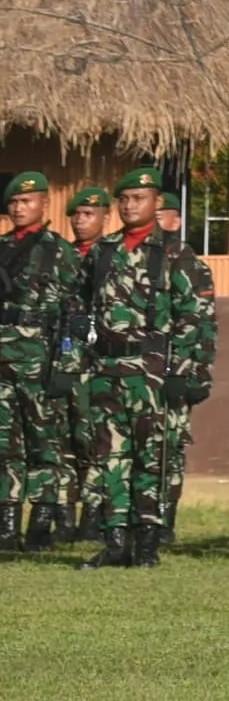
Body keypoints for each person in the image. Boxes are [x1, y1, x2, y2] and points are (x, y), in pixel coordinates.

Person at [74, 167, 211, 568]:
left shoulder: (176, 254)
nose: (130, 205)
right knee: (109, 456)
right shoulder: (103, 251)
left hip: (153, 370)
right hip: (107, 367)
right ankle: (115, 542)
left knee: (153, 457)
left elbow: (196, 317)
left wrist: (183, 373)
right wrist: (78, 349)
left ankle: (147, 544)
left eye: (139, 198)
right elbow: (79, 305)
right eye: (125, 199)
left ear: (157, 203)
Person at [1, 172, 80, 553]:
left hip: (40, 360)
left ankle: (40, 525)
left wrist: (67, 364)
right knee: (4, 444)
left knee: (44, 446)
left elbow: (76, 315)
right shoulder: (2, 248)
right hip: (2, 360)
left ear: (44, 204)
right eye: (14, 202)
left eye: (26, 201)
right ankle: (6, 525)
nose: (19, 208)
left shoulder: (59, 251)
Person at [148, 193, 217, 549]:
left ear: (175, 221)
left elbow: (204, 325)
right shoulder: (136, 258)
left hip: (177, 367)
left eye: (161, 215)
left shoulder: (190, 264)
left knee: (169, 446)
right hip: (139, 366)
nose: (154, 220)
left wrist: (196, 373)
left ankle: (165, 518)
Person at [58, 185, 113, 542]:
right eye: (76, 214)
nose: (80, 221)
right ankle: (64, 514)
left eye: (88, 214)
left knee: (93, 437)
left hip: (96, 361)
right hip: (61, 359)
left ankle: (94, 514)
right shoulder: (60, 255)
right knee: (62, 436)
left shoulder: (111, 255)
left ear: (105, 216)